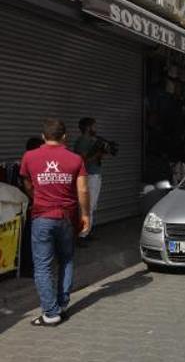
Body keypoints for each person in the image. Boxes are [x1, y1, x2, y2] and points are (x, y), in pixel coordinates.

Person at [20, 119, 90, 326]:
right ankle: (62, 304)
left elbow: (27, 183)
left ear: (43, 136)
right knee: (66, 259)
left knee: (42, 266)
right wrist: (85, 214)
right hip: (67, 217)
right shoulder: (75, 159)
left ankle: (51, 313)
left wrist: (38, 198)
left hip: (42, 217)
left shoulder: (29, 157)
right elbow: (83, 190)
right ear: (65, 137)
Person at [73, 117, 105, 240]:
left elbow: (94, 158)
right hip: (88, 176)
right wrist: (96, 154)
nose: (95, 129)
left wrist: (101, 153)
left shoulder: (91, 140)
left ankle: (87, 231)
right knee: (86, 206)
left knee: (91, 206)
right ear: (88, 128)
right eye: (94, 126)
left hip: (94, 176)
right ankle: (82, 235)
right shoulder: (83, 141)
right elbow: (81, 160)